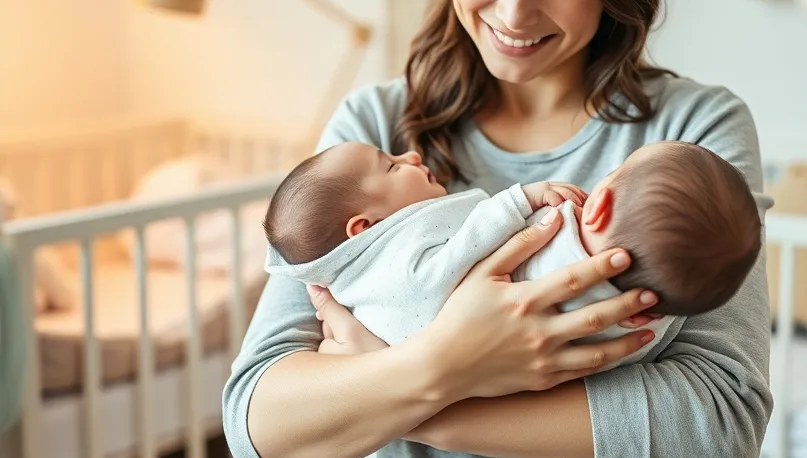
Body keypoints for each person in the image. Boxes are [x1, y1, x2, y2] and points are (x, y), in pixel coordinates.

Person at [223, 0, 774, 458]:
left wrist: (427, 395)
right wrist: (444, 363)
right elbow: (258, 421)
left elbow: (719, 424)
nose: (514, 13)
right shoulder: (375, 132)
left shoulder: (689, 135)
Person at [258, 140, 763, 366]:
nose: (410, 154)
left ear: (599, 204)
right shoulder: (641, 320)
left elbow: (460, 256)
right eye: (392, 166)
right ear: (362, 228)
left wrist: (390, 384)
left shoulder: (559, 235)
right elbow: (257, 423)